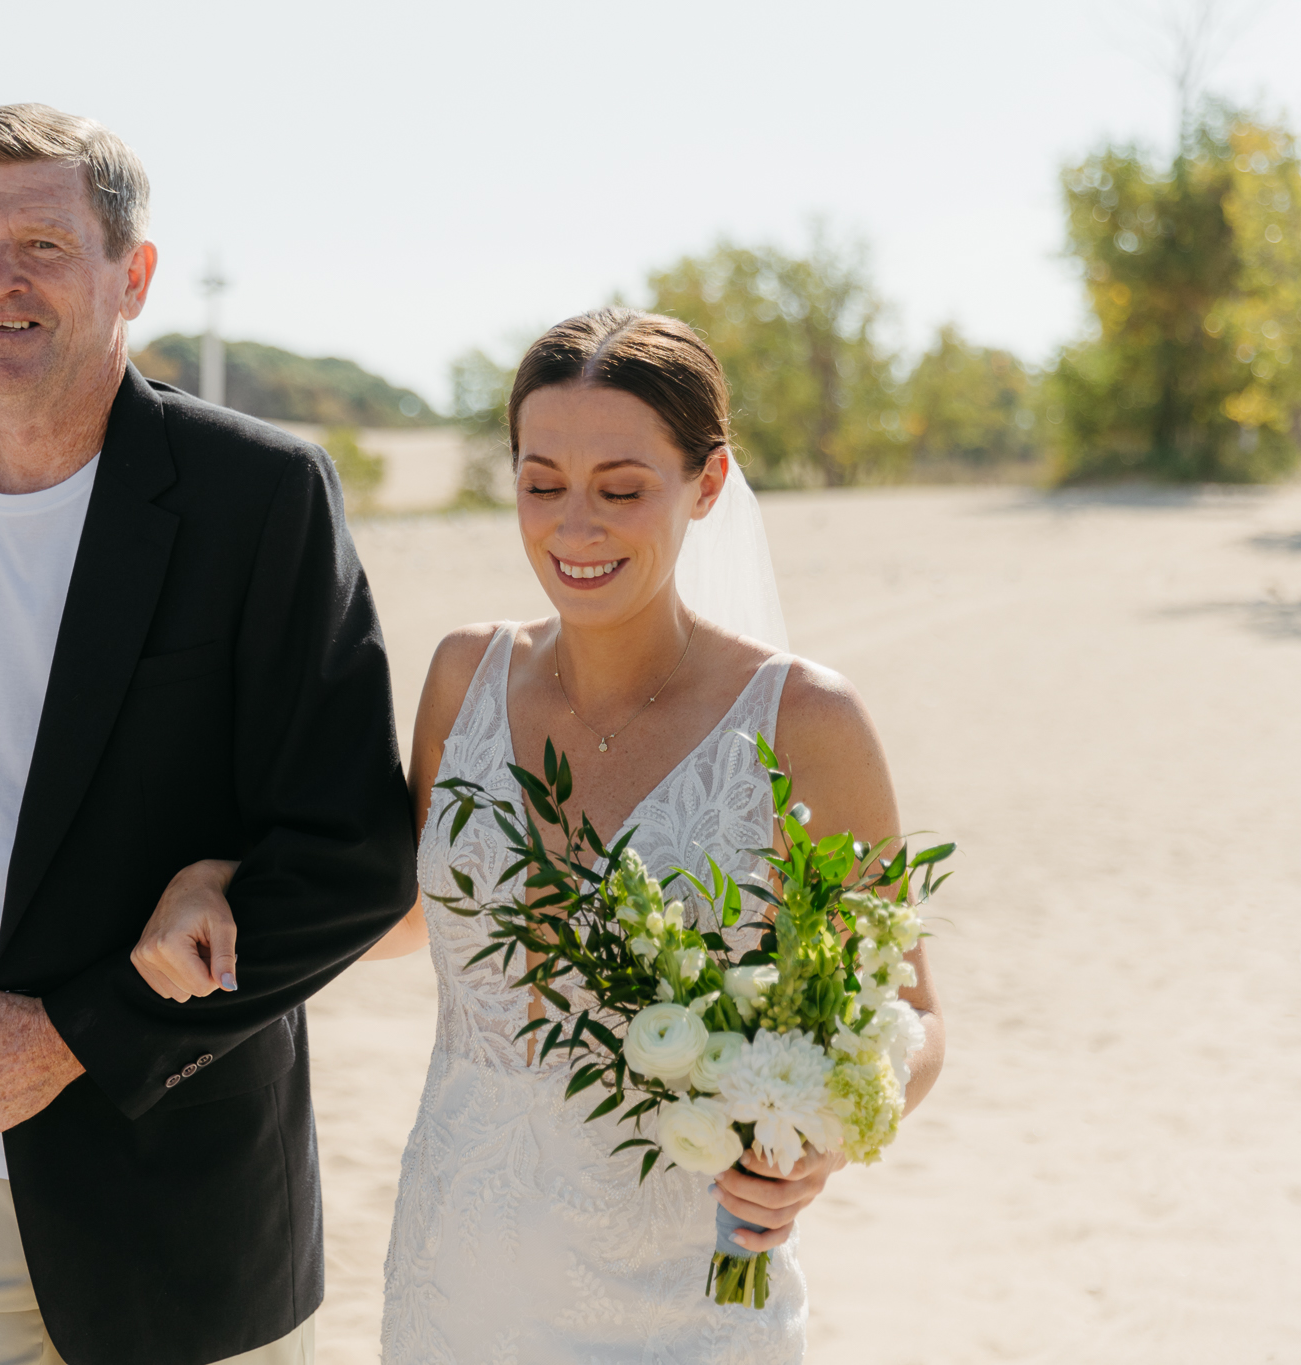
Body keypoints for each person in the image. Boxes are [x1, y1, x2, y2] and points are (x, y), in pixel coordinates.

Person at [133, 309, 945, 1362]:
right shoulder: (462, 676)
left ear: (705, 486)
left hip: (690, 1292)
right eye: (539, 482)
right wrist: (214, 880)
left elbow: (910, 1015)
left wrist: (814, 1144)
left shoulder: (805, 723)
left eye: (620, 488)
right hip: (456, 1273)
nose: (573, 527)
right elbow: (403, 911)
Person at [0, 103, 415, 1365]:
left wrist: (68, 1036)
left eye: (42, 247)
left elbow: (352, 859)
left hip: (179, 1219)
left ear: (132, 275)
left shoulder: (258, 497)